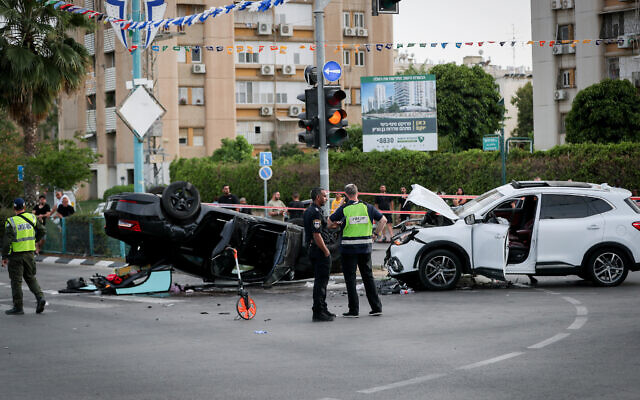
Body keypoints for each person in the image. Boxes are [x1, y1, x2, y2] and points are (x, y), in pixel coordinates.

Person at [329, 183, 384, 318]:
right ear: (357, 193)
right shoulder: (367, 207)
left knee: (350, 279)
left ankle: (354, 310)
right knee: (368, 277)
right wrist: (375, 235)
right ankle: (376, 307)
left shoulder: (345, 209)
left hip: (349, 249)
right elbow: (383, 220)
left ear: (346, 195)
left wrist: (340, 208)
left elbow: (329, 222)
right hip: (365, 248)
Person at [2, 198, 47, 315]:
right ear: (24, 207)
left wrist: (4, 257)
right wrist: (34, 240)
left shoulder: (11, 221)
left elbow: (7, 242)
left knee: (16, 282)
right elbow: (42, 230)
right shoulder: (32, 218)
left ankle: (18, 307)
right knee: (30, 277)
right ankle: (40, 297)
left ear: (14, 208)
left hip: (16, 256)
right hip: (29, 254)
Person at [303, 188, 334, 322]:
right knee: (321, 282)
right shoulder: (315, 212)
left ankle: (322, 308)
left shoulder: (313, 210)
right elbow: (316, 234)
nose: (326, 198)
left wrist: (332, 226)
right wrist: (326, 251)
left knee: (322, 281)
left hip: (315, 249)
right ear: (317, 197)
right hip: (319, 250)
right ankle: (318, 312)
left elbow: (320, 228)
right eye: (324, 196)